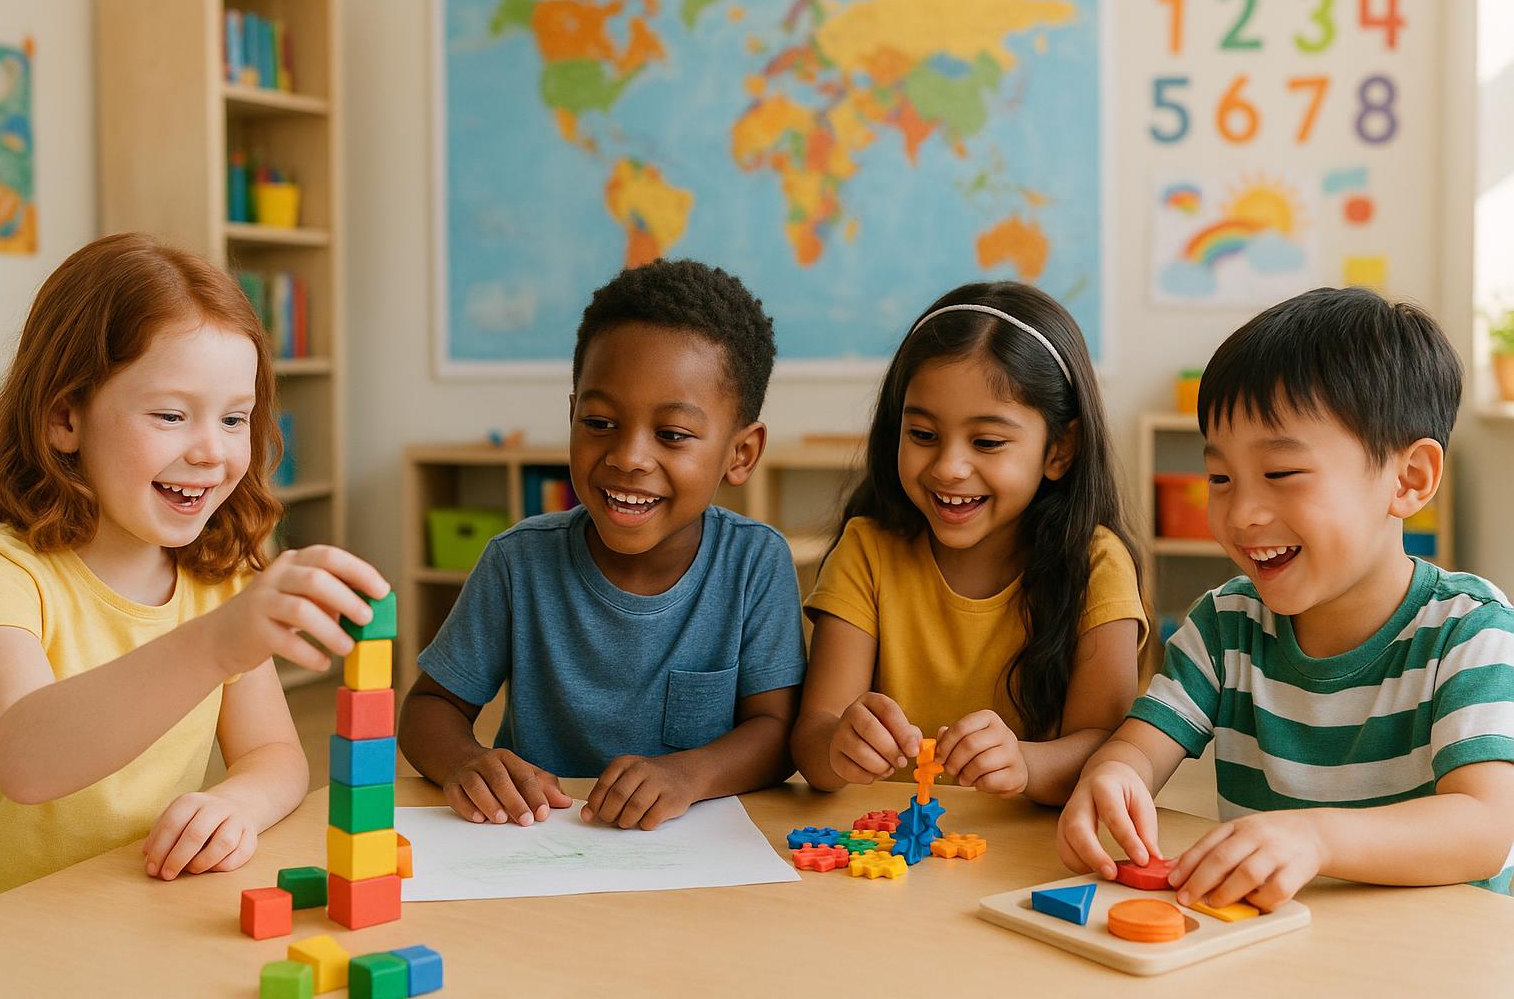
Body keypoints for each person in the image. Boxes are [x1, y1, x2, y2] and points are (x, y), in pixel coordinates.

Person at [1058, 286, 1514, 909]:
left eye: (1280, 474)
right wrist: (1113, 776)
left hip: (1430, 956)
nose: (1241, 513)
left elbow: (1485, 829)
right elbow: (1138, 747)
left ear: (1409, 480)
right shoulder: (1224, 627)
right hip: (1274, 949)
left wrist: (1318, 838)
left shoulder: (1470, 632)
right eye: (1220, 478)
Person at [0, 233, 389, 900]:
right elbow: (24, 759)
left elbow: (275, 757)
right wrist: (220, 642)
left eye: (235, 419)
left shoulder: (218, 576)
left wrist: (238, 806)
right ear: (64, 418)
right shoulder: (1, 574)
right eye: (170, 415)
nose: (211, 452)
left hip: (139, 910)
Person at [400, 259, 805, 831]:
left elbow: (777, 732)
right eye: (599, 422)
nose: (628, 456)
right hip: (539, 845)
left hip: (696, 856)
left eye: (672, 435)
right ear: (572, 416)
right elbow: (428, 709)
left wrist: (688, 775)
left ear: (741, 453)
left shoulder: (755, 564)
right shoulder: (519, 562)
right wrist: (467, 763)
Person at [791, 281, 1147, 805]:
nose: (949, 468)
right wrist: (837, 745)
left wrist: (1025, 762)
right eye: (923, 435)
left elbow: (1108, 750)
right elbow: (812, 739)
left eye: (987, 442)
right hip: (884, 856)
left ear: (1060, 450)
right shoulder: (866, 551)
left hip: (1027, 858)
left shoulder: (1097, 565)